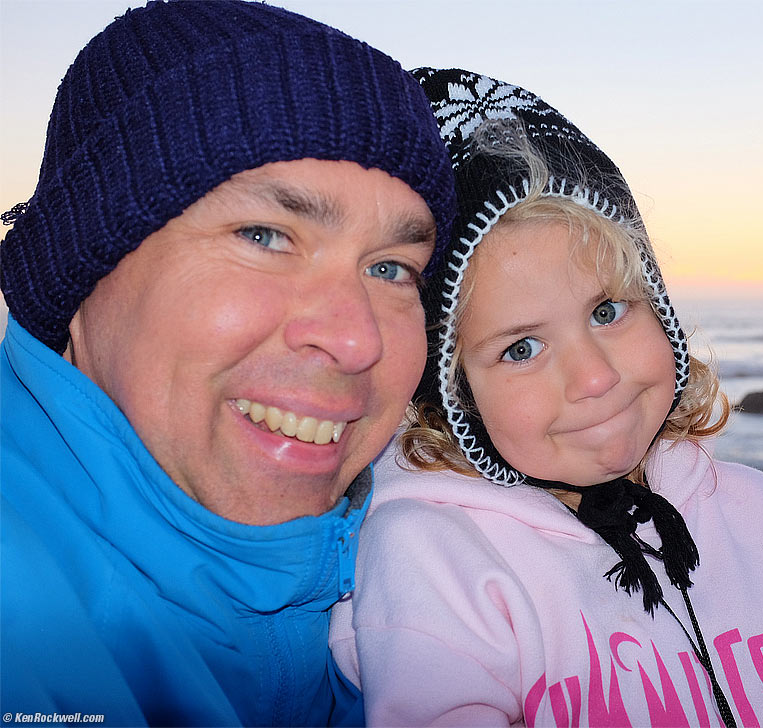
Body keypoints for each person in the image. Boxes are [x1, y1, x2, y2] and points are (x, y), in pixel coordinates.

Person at [328, 67, 763, 727]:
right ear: (453, 399)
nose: (595, 377)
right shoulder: (433, 559)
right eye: (521, 349)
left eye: (609, 310)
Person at [0, 2, 455, 725]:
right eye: (266, 235)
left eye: (393, 268)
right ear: (83, 266)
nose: (356, 340)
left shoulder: (438, 570)